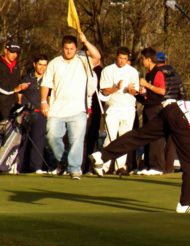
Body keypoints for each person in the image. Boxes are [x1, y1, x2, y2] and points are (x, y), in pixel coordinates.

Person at [90, 88, 190, 214]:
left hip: (172, 108)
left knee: (140, 136)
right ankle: (186, 204)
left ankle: (101, 155)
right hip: (183, 120)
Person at [40, 32, 101, 180]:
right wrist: (43, 102)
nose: (69, 51)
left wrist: (86, 41)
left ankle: (74, 169)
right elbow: (46, 83)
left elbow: (97, 57)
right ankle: (64, 161)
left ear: (76, 48)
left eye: (72, 48)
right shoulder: (54, 63)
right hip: (57, 109)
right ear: (62, 48)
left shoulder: (83, 61)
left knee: (77, 141)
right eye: (66, 48)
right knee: (52, 136)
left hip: (78, 109)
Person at [100, 46, 140, 175]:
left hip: (128, 109)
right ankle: (104, 166)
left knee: (124, 138)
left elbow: (135, 91)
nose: (122, 61)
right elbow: (104, 90)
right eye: (120, 58)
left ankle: (120, 167)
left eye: (125, 58)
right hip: (113, 108)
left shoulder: (133, 72)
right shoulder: (108, 70)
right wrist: (116, 88)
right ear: (116, 57)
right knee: (110, 137)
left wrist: (130, 90)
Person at [136, 47, 167, 176]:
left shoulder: (157, 72)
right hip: (148, 107)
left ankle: (157, 166)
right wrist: (141, 92)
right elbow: (150, 92)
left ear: (149, 59)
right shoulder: (148, 74)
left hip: (156, 109)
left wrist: (147, 86)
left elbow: (162, 91)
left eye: (143, 59)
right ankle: (148, 165)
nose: (142, 61)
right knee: (147, 137)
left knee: (155, 138)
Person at [156, 51, 186, 173]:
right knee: (171, 138)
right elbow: (182, 93)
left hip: (161, 105)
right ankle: (168, 168)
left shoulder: (157, 74)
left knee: (158, 137)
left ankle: (158, 166)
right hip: (175, 106)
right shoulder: (176, 75)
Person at [18, 54, 48, 174]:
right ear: (34, 64)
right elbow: (19, 96)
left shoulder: (49, 79)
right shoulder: (26, 78)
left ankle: (36, 168)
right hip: (26, 113)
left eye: (45, 65)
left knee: (38, 141)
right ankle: (18, 167)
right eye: (40, 64)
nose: (42, 67)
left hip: (41, 114)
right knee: (23, 141)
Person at [0, 40, 30, 122]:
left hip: (13, 104)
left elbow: (17, 81)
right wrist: (14, 90)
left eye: (17, 53)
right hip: (2, 105)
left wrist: (20, 92)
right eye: (12, 52)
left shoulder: (16, 65)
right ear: (5, 50)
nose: (15, 55)